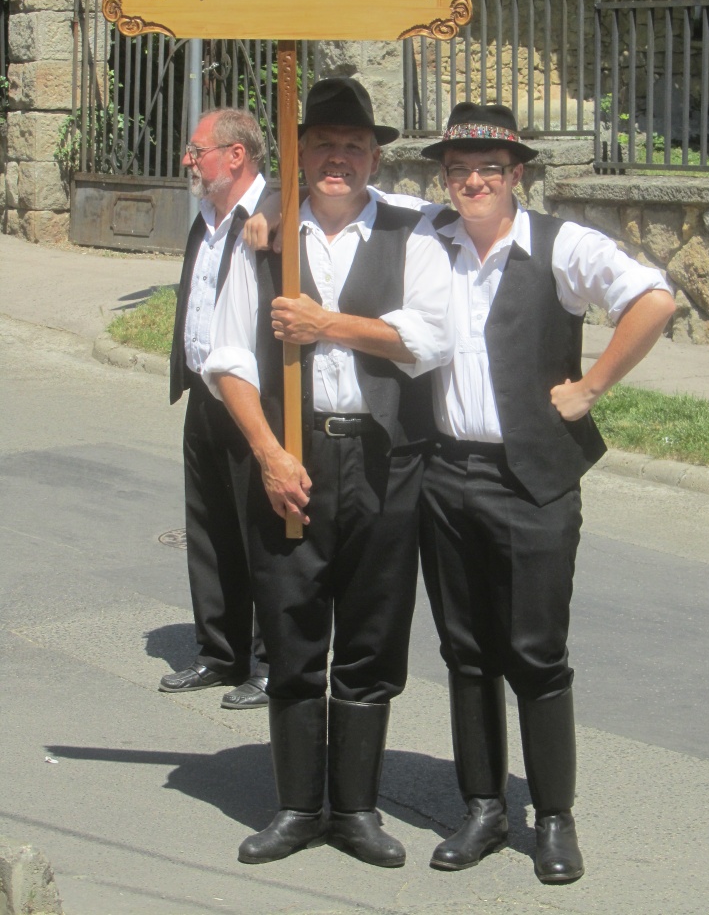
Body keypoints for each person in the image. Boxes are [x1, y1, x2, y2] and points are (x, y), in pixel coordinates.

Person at [416, 102, 676, 886]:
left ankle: (554, 816)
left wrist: (592, 386)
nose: (473, 182)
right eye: (459, 170)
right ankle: (483, 808)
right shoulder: (429, 238)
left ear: (517, 175)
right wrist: (264, 218)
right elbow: (345, 204)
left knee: (535, 653)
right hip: (445, 473)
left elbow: (654, 298)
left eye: (488, 169)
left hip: (532, 478)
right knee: (466, 652)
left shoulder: (560, 245)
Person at [203, 77, 453, 868]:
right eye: (323, 145)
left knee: (372, 639)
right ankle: (295, 808)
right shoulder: (264, 241)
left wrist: (325, 324)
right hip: (292, 458)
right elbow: (227, 358)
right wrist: (270, 453)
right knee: (291, 630)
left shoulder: (414, 231)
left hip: (385, 459)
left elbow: (430, 338)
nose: (338, 158)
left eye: (353, 146)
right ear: (300, 154)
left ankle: (355, 811)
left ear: (374, 157)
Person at [160, 108, 272, 710]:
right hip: (206, 396)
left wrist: (275, 216)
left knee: (264, 535)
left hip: (254, 398)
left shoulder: (274, 214)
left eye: (196, 149)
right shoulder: (206, 218)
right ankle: (220, 651)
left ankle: (274, 661)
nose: (188, 159)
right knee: (209, 528)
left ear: (235, 155)